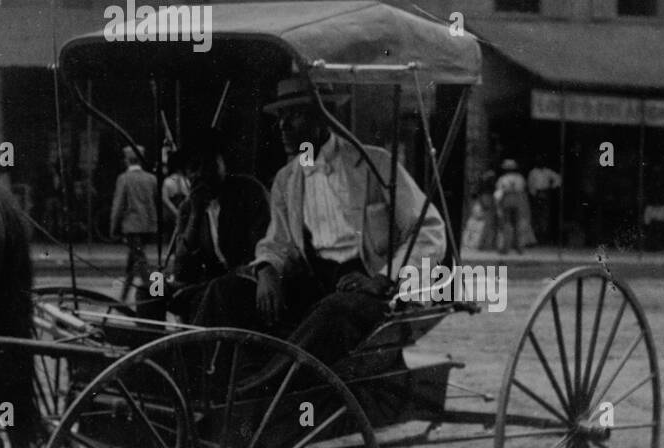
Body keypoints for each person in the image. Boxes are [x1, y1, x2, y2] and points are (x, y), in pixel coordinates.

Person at [193, 77, 446, 370]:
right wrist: (266, 270)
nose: (283, 126)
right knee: (223, 292)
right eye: (280, 117)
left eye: (294, 115)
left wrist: (384, 278)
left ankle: (266, 387)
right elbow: (279, 243)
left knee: (333, 310)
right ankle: (199, 385)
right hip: (317, 284)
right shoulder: (287, 179)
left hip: (377, 292)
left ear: (324, 117)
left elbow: (428, 230)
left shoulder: (375, 164)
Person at [164, 129, 270, 317]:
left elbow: (262, 251)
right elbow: (181, 271)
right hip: (205, 285)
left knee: (214, 291)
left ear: (223, 163)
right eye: (194, 167)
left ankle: (189, 345)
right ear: (186, 175)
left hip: (244, 284)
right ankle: (149, 344)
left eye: (209, 164)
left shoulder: (249, 192)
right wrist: (196, 216)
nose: (202, 173)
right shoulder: (188, 208)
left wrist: (208, 284)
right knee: (151, 289)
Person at [109, 144, 158, 303]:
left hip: (132, 227)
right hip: (148, 227)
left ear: (127, 160)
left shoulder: (124, 179)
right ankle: (123, 298)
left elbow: (118, 206)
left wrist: (113, 228)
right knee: (133, 261)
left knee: (141, 263)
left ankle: (155, 295)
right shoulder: (151, 179)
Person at [494, 159, 530, 256]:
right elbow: (522, 189)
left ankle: (506, 247)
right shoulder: (520, 178)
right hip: (518, 201)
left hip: (507, 201)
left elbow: (498, 193)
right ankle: (519, 247)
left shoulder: (502, 179)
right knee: (518, 224)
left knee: (506, 224)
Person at [526, 157, 562, 245]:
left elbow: (558, 178)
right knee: (536, 216)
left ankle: (544, 238)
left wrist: (552, 187)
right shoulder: (533, 172)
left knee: (545, 216)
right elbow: (530, 183)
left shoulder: (547, 171)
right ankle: (536, 238)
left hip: (545, 193)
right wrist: (534, 194)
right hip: (536, 194)